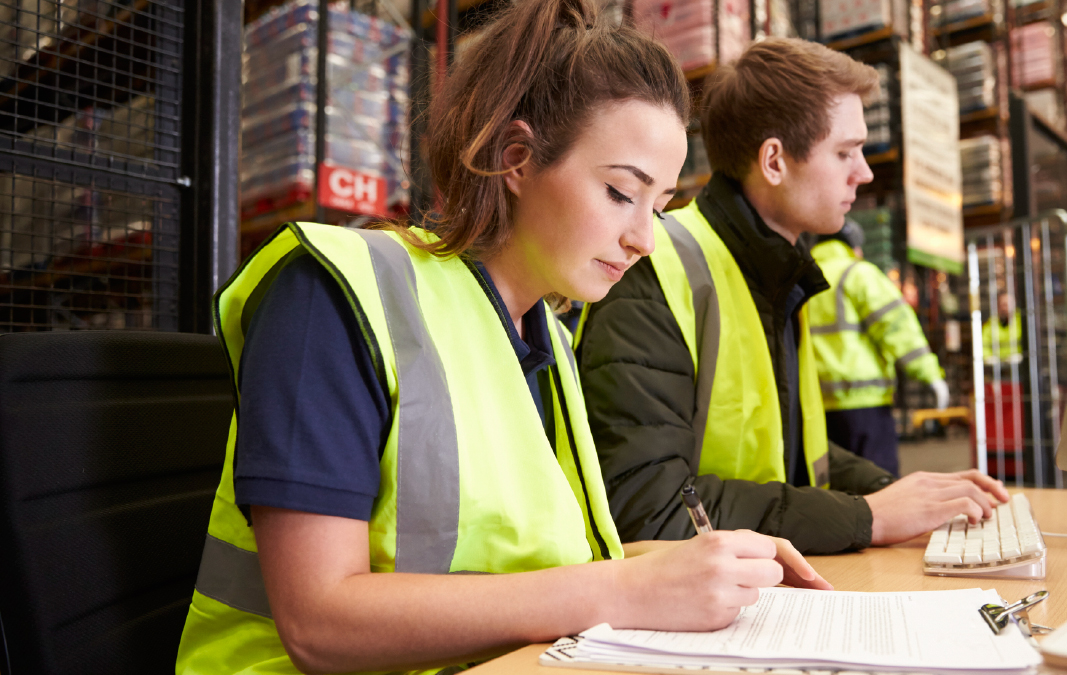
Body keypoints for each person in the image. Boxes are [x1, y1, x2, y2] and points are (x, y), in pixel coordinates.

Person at [175, 2, 830, 672]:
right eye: (619, 193)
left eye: (659, 205)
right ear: (516, 159)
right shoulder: (335, 294)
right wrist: (623, 585)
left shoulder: (545, 339)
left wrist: (702, 561)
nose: (644, 238)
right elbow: (318, 622)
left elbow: (547, 568)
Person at [576, 38, 1008, 557]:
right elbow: (649, 508)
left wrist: (906, 493)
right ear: (775, 161)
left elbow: (797, 460)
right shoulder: (654, 269)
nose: (864, 172)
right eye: (845, 151)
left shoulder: (778, 275)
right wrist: (866, 516)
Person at [807, 219, 949, 477]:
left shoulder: (801, 277)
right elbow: (896, 326)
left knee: (833, 488)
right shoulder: (857, 273)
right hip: (864, 403)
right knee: (877, 482)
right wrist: (931, 375)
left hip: (815, 407)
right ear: (854, 247)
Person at [983, 291, 1023, 363]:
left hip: (1019, 362)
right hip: (997, 364)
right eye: (1002, 304)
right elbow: (983, 343)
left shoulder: (1022, 320)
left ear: (1014, 305)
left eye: (1007, 304)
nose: (1005, 308)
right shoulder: (991, 322)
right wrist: (988, 357)